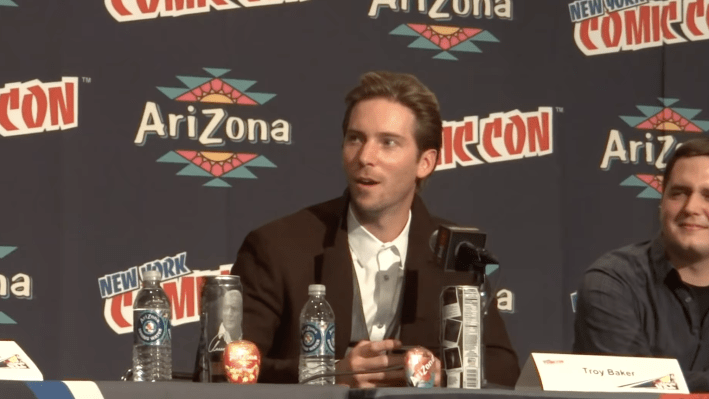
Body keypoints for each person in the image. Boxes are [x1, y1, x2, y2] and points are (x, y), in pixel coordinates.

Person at [231, 71, 519, 387]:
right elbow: (229, 368)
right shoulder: (277, 246)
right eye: (355, 138)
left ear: (425, 162)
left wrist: (445, 374)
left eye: (388, 143)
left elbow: (503, 367)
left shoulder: (457, 252)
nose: (365, 157)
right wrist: (328, 375)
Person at [574, 137, 709, 392]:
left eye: (708, 195)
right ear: (662, 202)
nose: (691, 207)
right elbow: (631, 383)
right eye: (678, 193)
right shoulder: (612, 281)